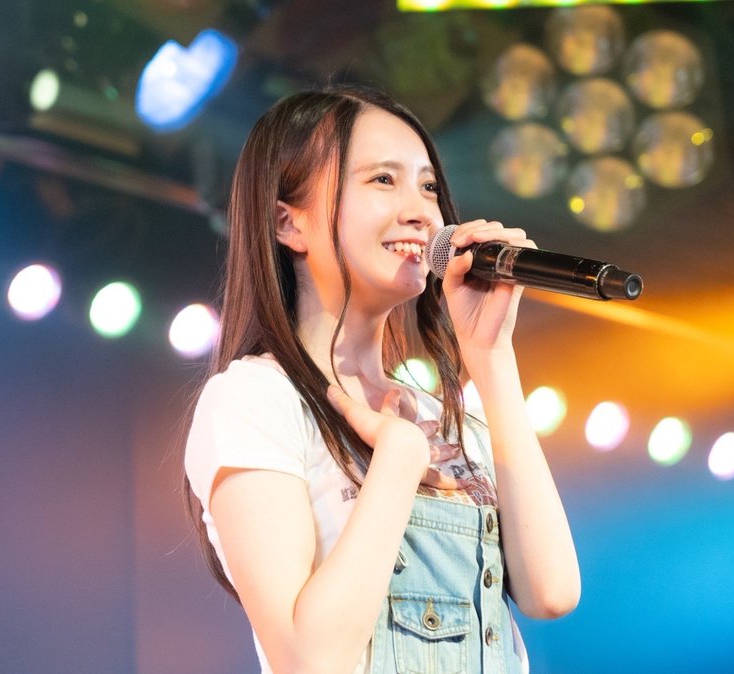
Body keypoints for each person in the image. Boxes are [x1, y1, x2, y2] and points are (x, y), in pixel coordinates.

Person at [183, 84, 581, 674]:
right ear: (288, 223)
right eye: (383, 179)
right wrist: (396, 461)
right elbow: (307, 659)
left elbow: (552, 592)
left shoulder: (443, 416)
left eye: (428, 186)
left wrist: (491, 355)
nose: (422, 211)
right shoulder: (254, 399)